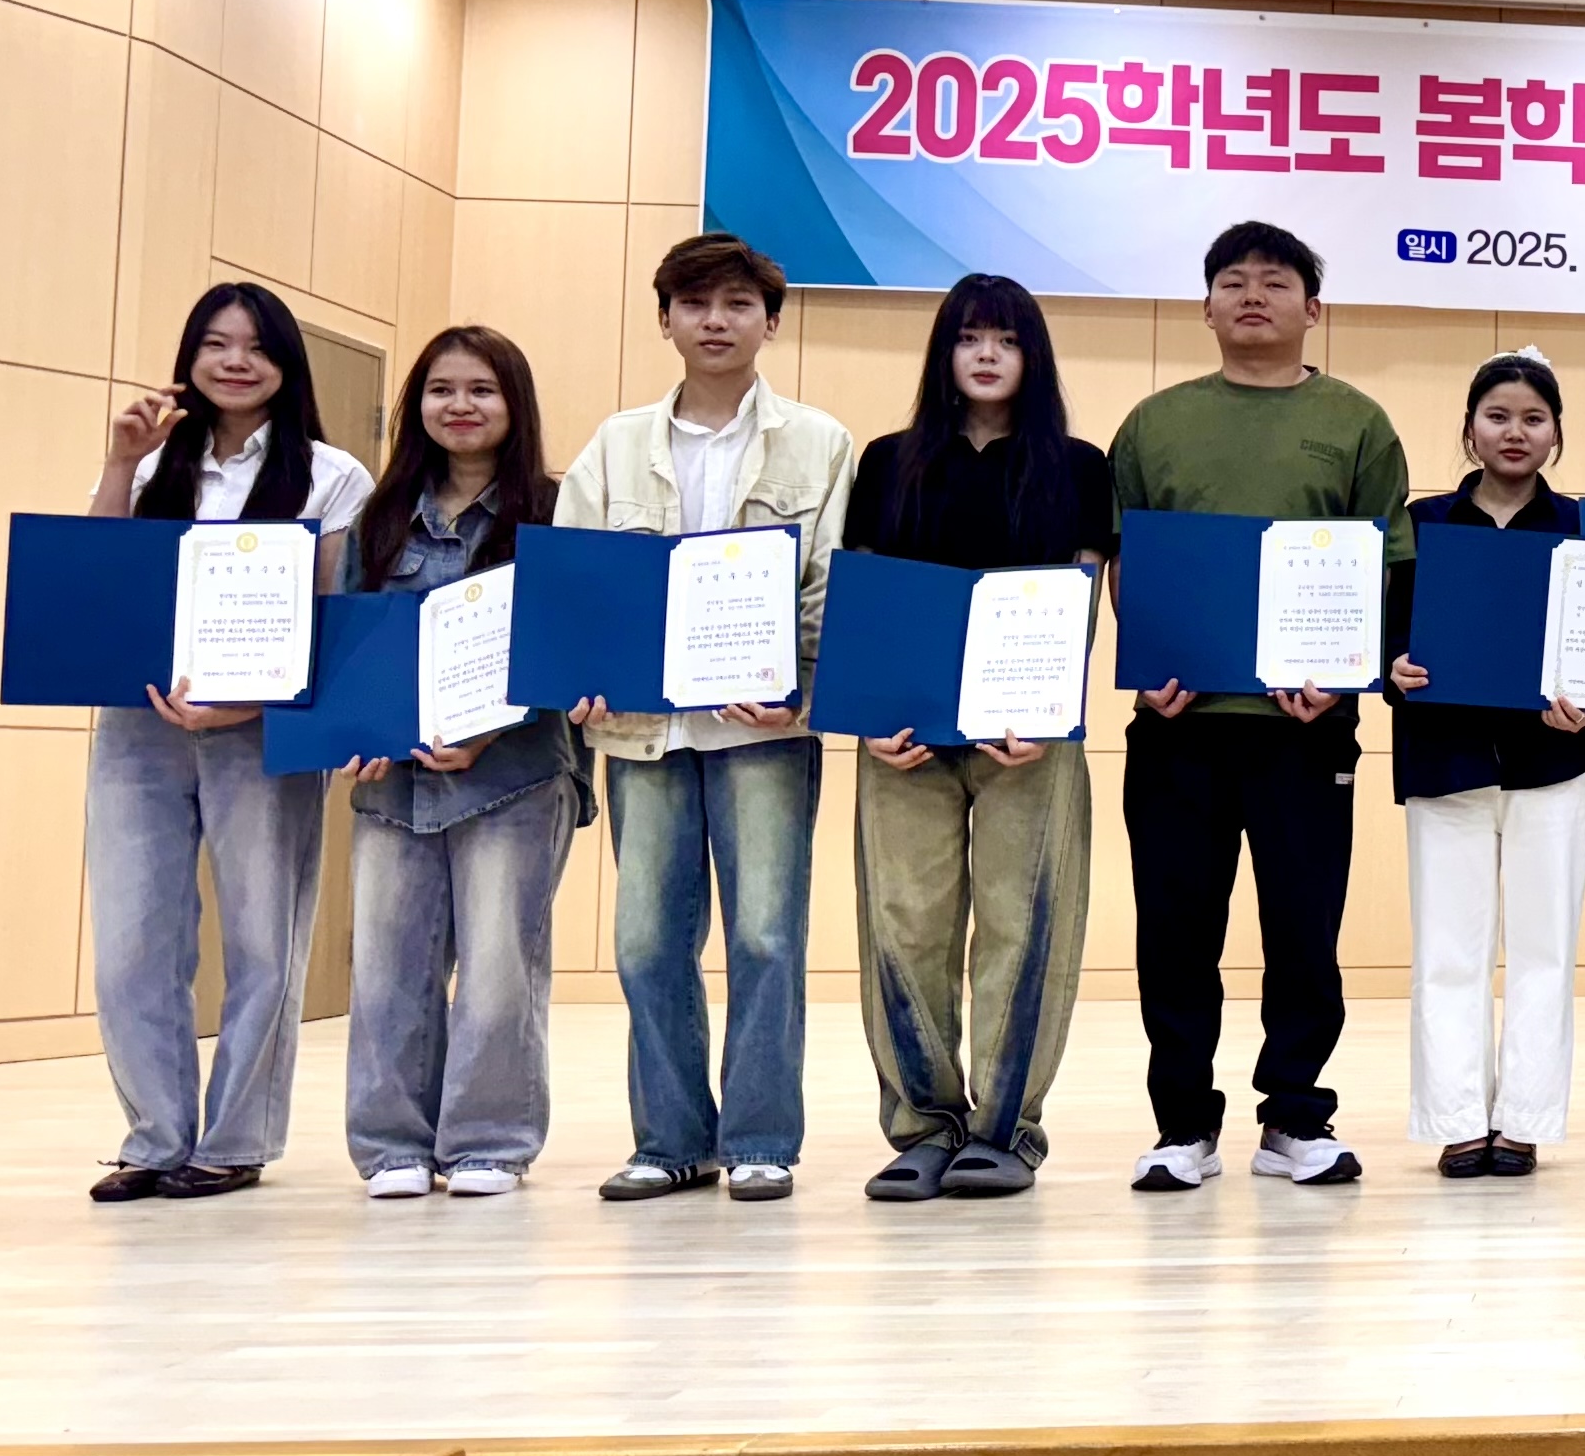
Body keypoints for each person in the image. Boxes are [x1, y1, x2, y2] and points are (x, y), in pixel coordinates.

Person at [1111, 221, 1414, 1191]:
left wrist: (1344, 672)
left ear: (1312, 309)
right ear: (1204, 307)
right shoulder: (1154, 424)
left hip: (1306, 730)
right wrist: (1147, 659)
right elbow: (1127, 564)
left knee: (1303, 934)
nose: (1252, 295)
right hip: (1177, 728)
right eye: (1233, 281)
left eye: (1276, 282)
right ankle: (1181, 1126)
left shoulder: (1357, 422)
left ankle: (1294, 1117)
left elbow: (1384, 567)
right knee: (1175, 935)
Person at [557, 232, 856, 1205]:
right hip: (643, 731)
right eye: (694, 304)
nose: (715, 322)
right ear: (665, 321)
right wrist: (584, 674)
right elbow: (579, 581)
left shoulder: (818, 441)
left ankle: (762, 1136)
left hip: (763, 730)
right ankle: (672, 1140)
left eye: (737, 305)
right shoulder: (614, 444)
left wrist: (795, 686)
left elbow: (830, 581)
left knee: (765, 937)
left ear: (771, 323)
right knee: (648, 943)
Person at [80, 282, 377, 1202]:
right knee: (132, 940)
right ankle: (154, 1135)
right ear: (190, 358)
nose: (236, 361)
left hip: (262, 729)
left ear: (287, 362)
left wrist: (243, 705)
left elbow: (333, 621)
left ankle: (237, 1138)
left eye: (256, 345)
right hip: (139, 723)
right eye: (215, 343)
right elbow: (94, 577)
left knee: (262, 939)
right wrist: (119, 462)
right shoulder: (153, 462)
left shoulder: (331, 475)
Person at [843, 274, 1113, 1201]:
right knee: (903, 926)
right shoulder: (888, 460)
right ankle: (923, 1126)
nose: (987, 354)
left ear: (1034, 356)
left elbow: (1079, 597)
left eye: (1007, 338)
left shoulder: (1078, 465)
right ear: (944, 353)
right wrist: (874, 718)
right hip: (904, 734)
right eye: (969, 338)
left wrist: (1043, 715)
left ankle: (1005, 1130)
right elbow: (869, 595)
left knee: (1023, 925)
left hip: (1026, 735)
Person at [335, 326, 591, 1200]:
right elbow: (347, 646)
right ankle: (392, 1146)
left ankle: (489, 1143)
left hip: (514, 778)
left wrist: (490, 727)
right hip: (394, 785)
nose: (461, 406)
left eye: (482, 390)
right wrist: (356, 734)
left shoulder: (556, 512)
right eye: (441, 390)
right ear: (417, 406)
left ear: (515, 405)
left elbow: (569, 647)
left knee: (497, 968)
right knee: (388, 967)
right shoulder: (378, 519)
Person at [1381, 351, 1585, 1179]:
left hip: (1554, 761)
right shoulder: (1422, 523)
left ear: (1556, 434)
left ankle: (1525, 1121)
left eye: (1533, 418)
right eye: (1498, 416)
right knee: (1448, 949)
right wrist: (1393, 669)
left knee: (1546, 948)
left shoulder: (1582, 528)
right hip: (1446, 759)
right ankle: (1457, 1120)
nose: (1515, 432)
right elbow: (1385, 633)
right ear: (1469, 428)